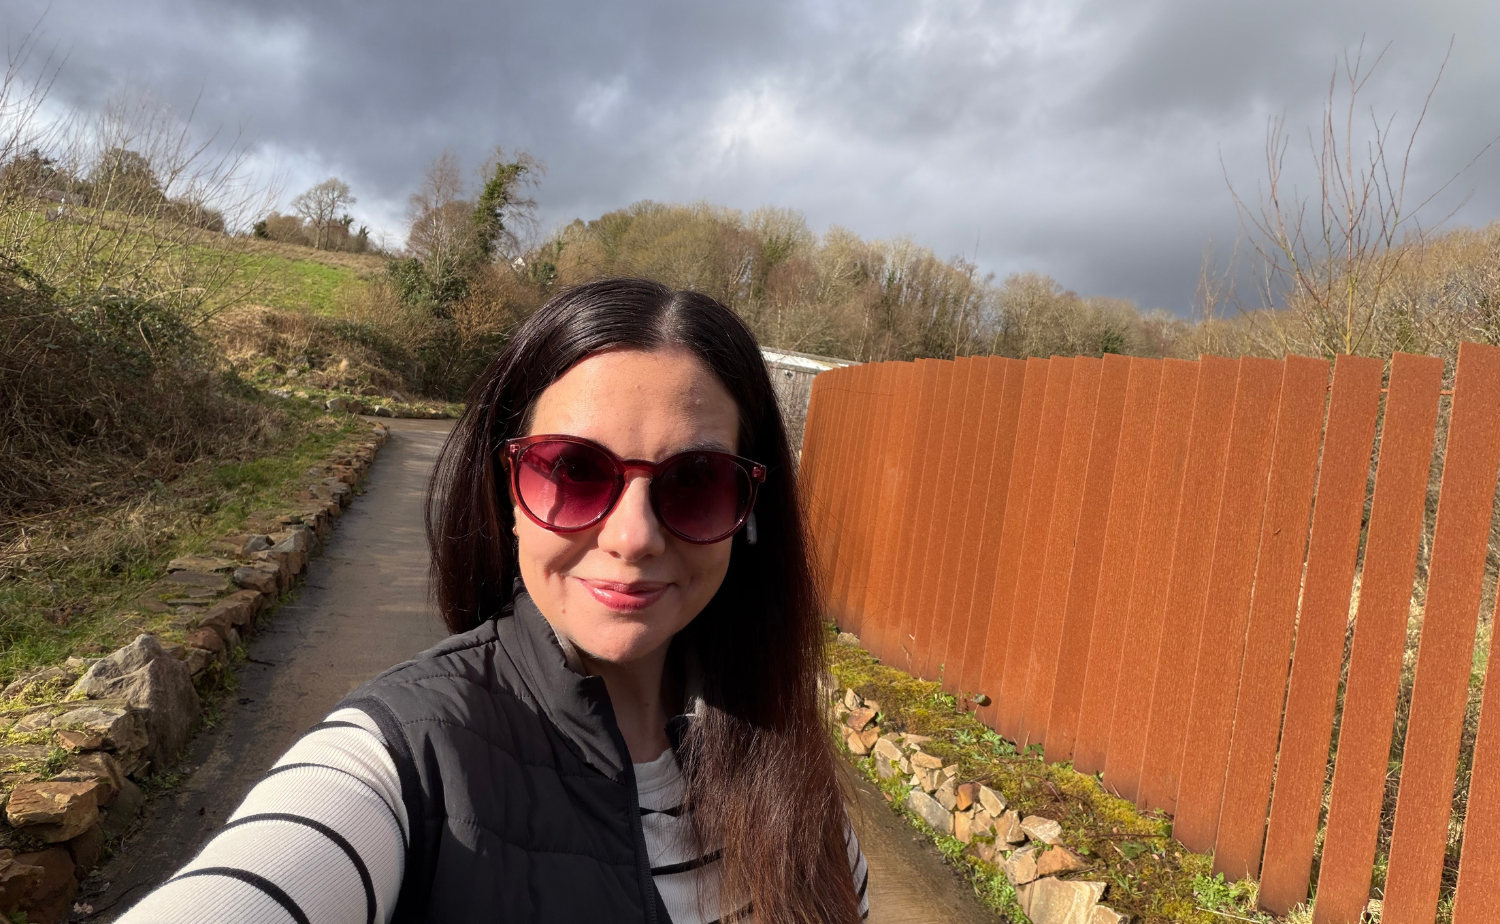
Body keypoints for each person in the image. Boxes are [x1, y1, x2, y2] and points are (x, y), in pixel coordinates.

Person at [118, 278, 870, 924]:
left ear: (750, 513)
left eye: (696, 481)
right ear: (505, 491)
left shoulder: (794, 779)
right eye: (574, 470)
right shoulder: (402, 760)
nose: (634, 536)